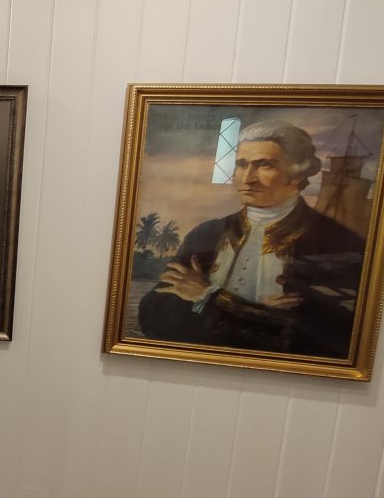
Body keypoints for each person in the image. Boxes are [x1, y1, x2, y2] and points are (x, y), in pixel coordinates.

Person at [137, 119, 365, 359]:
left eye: (265, 165)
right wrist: (259, 314)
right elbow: (153, 318)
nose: (247, 178)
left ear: (297, 174)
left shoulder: (338, 244)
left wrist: (210, 297)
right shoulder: (206, 234)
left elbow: (328, 343)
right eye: (241, 165)